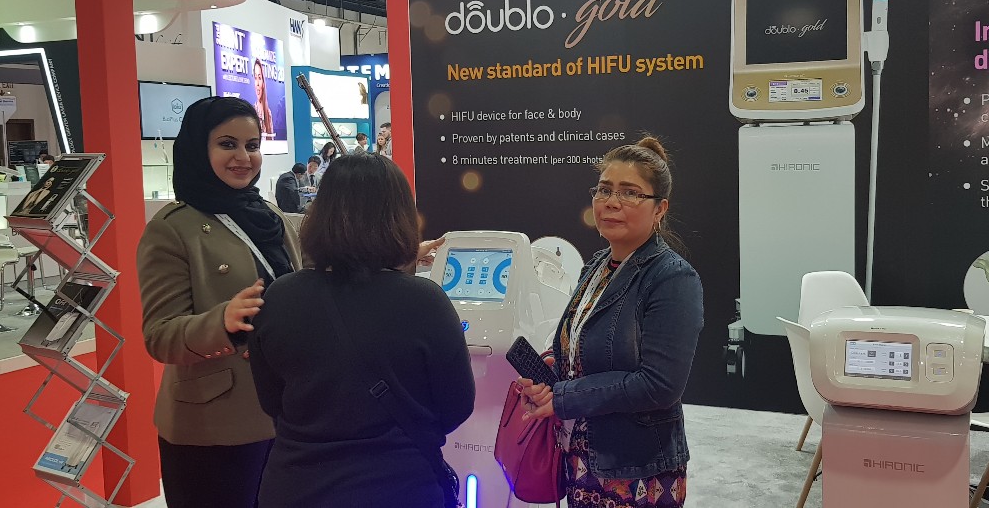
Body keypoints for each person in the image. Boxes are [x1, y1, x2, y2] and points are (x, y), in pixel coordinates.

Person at [249, 154, 473, 508]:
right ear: (399, 216)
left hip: (296, 485)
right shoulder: (425, 301)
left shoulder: (280, 296)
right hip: (400, 486)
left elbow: (272, 402)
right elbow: (456, 407)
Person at [137, 96, 304, 508]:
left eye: (252, 145)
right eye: (227, 144)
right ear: (199, 148)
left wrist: (395, 259)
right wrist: (222, 321)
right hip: (213, 427)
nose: (243, 157)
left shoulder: (270, 216)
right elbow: (160, 337)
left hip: (286, 413)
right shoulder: (172, 229)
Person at [520, 136, 703, 508]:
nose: (612, 202)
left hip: (636, 468)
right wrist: (553, 372)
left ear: (660, 208)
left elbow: (660, 385)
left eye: (630, 193)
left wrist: (564, 397)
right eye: (604, 190)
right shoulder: (597, 266)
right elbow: (583, 344)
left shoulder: (673, 278)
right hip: (581, 454)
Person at [253, 59, 275, 138]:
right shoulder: (251, 112)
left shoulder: (268, 113)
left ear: (263, 82)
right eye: (255, 78)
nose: (257, 84)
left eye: (259, 78)